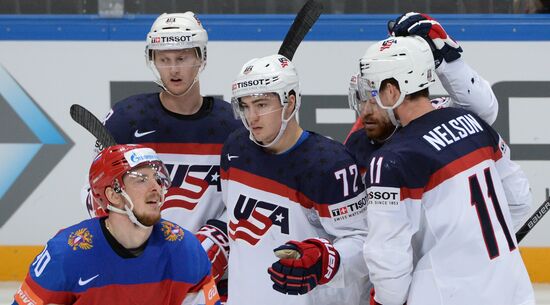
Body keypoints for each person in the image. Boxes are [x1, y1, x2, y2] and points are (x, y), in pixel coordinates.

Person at [360, 33, 535, 305]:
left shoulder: (392, 160)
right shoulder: (474, 123)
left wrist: (386, 301)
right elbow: (519, 199)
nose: (370, 101)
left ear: (393, 91)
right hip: (514, 291)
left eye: (374, 90)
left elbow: (388, 257)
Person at [83, 12, 242, 287]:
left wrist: (220, 236)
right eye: (164, 59)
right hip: (139, 270)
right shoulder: (127, 119)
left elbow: (247, 197)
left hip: (211, 276)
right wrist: (126, 229)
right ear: (153, 61)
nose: (173, 69)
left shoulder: (231, 124)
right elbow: (94, 192)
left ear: (201, 58)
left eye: (182, 58)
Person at [221, 54, 369, 305]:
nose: (252, 117)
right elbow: (234, 219)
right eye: (245, 106)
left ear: (290, 103)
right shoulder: (236, 148)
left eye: (261, 104)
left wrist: (326, 261)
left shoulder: (330, 163)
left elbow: (363, 242)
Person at [14, 144, 221, 305]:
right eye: (141, 179)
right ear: (113, 195)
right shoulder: (67, 253)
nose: (156, 188)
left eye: (157, 178)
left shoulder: (185, 249)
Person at [346, 12, 499, 175]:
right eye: (362, 98)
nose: (366, 112)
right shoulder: (357, 143)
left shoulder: (438, 114)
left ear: (395, 89)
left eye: (374, 98)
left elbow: (484, 111)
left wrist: (444, 60)